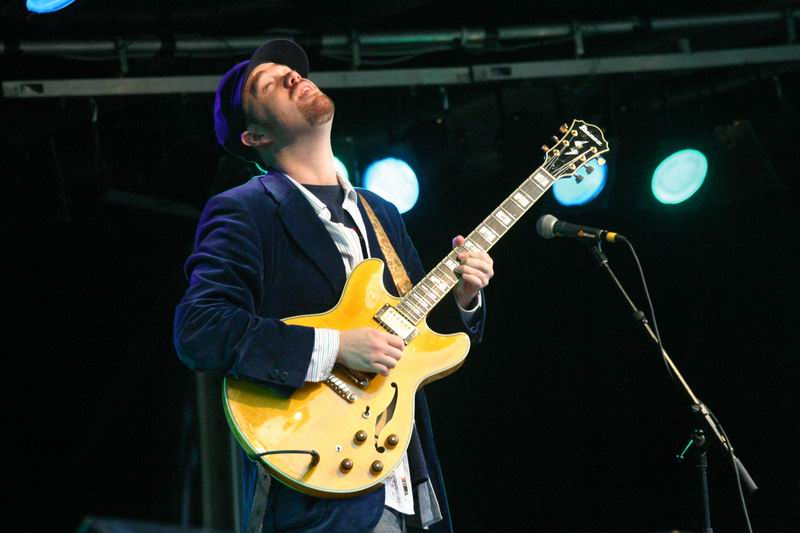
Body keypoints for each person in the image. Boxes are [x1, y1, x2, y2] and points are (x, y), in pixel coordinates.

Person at [173, 39, 494, 533]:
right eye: (267, 83)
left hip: (406, 482)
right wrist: (335, 347)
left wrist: (465, 298)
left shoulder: (380, 212)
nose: (292, 76)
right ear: (255, 136)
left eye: (292, 71)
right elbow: (200, 328)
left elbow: (422, 339)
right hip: (319, 489)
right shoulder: (245, 210)